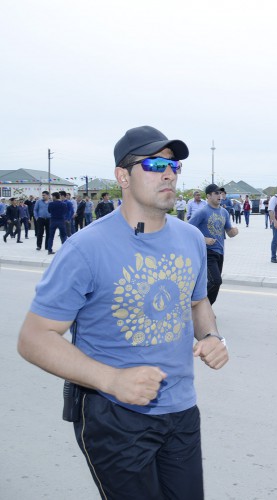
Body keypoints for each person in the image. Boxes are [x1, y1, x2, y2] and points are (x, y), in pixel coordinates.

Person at [17, 125, 228, 499]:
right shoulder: (86, 247)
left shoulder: (190, 238)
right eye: (154, 163)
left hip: (181, 409)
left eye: (174, 165)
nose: (168, 173)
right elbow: (34, 338)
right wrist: (112, 380)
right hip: (112, 414)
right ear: (122, 177)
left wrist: (210, 336)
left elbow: (197, 302)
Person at [189, 183, 239, 304]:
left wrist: (234, 231)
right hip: (207, 252)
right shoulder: (202, 212)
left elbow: (229, 232)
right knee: (216, 281)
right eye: (216, 193)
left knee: (216, 285)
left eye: (221, 193)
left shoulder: (224, 212)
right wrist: (204, 239)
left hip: (220, 251)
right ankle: (192, 303)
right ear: (208, 196)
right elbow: (187, 230)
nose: (220, 195)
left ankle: (207, 310)